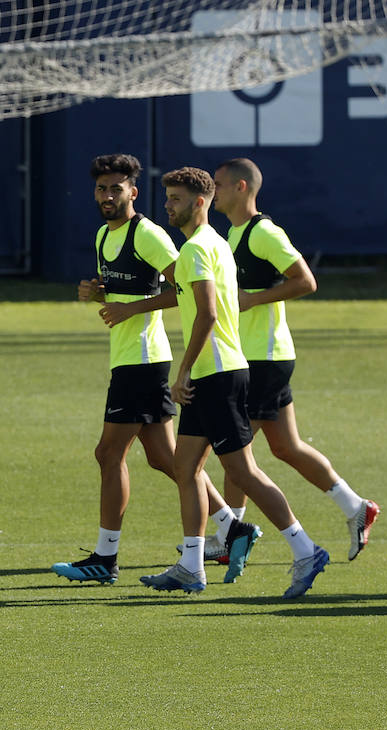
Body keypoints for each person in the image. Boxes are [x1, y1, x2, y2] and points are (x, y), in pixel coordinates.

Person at [53, 154, 253, 586]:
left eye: (116, 188)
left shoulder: (148, 233)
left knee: (108, 454)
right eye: (101, 188)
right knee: (167, 459)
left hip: (144, 360)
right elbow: (132, 287)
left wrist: (133, 308)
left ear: (133, 192)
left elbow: (181, 288)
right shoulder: (103, 236)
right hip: (128, 357)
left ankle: (105, 559)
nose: (108, 196)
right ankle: (231, 528)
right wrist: (98, 292)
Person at [140, 167, 329, 599]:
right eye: (167, 197)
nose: (168, 205)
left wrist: (183, 371)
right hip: (217, 371)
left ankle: (306, 550)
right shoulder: (216, 244)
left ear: (199, 202)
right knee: (185, 467)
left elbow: (206, 313)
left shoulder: (195, 251)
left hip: (218, 373)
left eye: (175, 198)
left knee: (242, 470)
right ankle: (191, 566)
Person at [211, 158, 379, 563]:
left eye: (217, 184)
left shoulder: (263, 232)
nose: (212, 190)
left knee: (236, 454)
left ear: (241, 187)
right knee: (286, 446)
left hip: (263, 359)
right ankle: (357, 508)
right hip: (260, 356)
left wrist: (253, 300)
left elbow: (306, 280)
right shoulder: (231, 235)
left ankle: (231, 534)